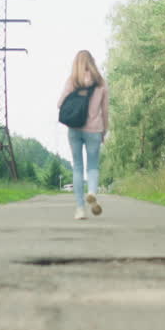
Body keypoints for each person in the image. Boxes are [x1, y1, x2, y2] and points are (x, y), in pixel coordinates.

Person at [57, 50, 109, 220]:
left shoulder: (73, 81)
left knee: (77, 167)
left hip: (75, 129)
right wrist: (105, 130)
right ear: (92, 62)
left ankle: (80, 209)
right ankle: (92, 192)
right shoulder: (101, 83)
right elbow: (105, 110)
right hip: (94, 130)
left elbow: (59, 104)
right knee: (93, 166)